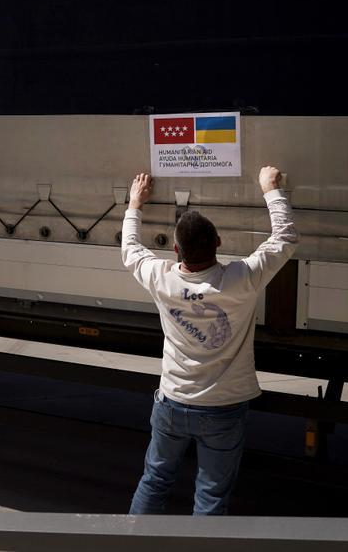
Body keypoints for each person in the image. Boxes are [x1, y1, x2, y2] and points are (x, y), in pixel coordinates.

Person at [121, 166, 297, 515]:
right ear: (218, 242)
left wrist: (134, 204)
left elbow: (129, 249)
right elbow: (285, 238)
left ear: (175, 249)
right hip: (223, 409)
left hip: (172, 403)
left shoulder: (162, 278)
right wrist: (270, 189)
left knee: (154, 481)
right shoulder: (240, 279)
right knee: (211, 496)